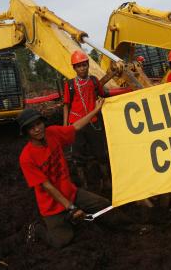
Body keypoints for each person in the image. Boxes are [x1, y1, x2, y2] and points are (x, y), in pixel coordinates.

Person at [18, 100, 132, 248]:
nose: (37, 129)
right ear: (26, 132)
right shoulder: (26, 157)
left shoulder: (53, 133)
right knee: (62, 241)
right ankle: (37, 228)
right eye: (31, 128)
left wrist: (96, 110)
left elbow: (75, 126)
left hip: (71, 192)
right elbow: (47, 186)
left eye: (38, 124)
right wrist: (71, 208)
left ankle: (132, 226)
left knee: (104, 205)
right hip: (52, 205)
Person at [63, 50, 110, 189]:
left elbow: (102, 96)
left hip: (93, 122)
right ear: (74, 68)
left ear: (88, 65)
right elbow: (66, 105)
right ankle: (84, 186)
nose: (82, 68)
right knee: (78, 157)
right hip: (76, 124)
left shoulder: (94, 81)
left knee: (101, 153)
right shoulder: (70, 84)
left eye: (84, 65)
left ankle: (107, 181)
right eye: (78, 66)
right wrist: (65, 125)